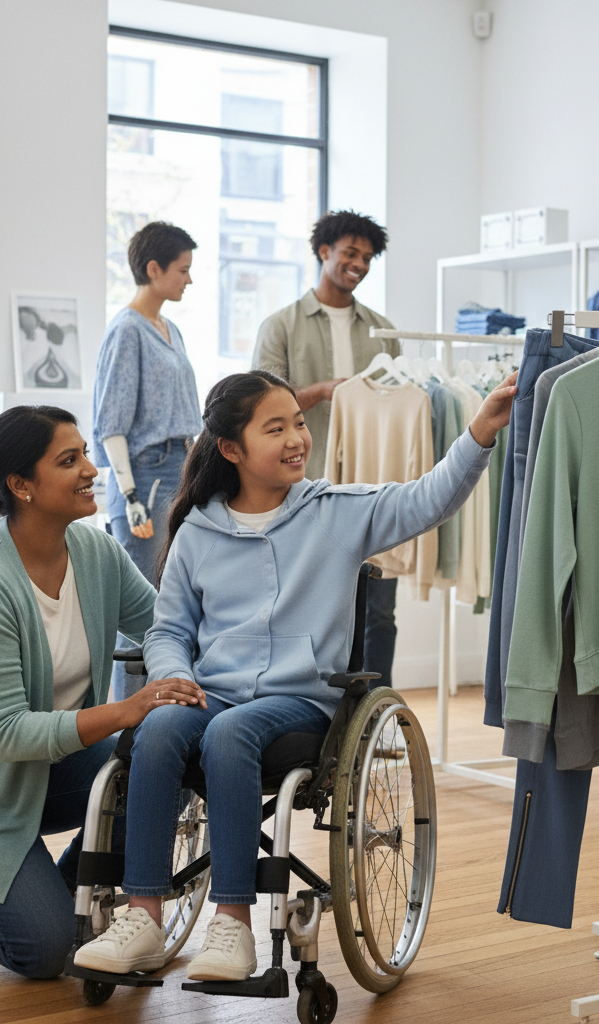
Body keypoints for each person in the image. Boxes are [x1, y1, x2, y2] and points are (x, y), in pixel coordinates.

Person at [73, 367, 517, 981]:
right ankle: (143, 914)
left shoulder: (334, 512)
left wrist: (479, 433)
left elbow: (428, 497)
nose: (296, 439)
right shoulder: (197, 529)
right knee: (155, 728)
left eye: (299, 424)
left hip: (302, 703)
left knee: (231, 735)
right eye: (275, 427)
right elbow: (169, 629)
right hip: (215, 694)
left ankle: (232, 925)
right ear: (231, 449)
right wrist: (171, 678)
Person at [0, 405, 185, 980]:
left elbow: (161, 627)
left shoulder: (96, 553)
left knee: (153, 769)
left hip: (40, 769)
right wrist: (124, 710)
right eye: (68, 461)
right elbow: (3, 732)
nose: (90, 470)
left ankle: (63, 895)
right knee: (43, 954)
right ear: (21, 486)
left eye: (86, 454)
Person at [252, 210, 404, 690]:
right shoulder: (281, 325)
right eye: (349, 254)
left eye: (366, 258)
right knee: (306, 606)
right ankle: (311, 710)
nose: (358, 264)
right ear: (324, 252)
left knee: (379, 607)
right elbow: (257, 409)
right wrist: (320, 391)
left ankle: (376, 712)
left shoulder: (383, 330)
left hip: (370, 487)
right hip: (303, 488)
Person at [94, 220, 203, 700]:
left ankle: (163, 712)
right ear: (153, 268)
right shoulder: (126, 331)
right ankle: (129, 725)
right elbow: (110, 423)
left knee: (174, 604)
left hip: (180, 470)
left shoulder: (170, 329)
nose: (188, 280)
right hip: (145, 480)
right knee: (143, 612)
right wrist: (131, 497)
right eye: (182, 270)